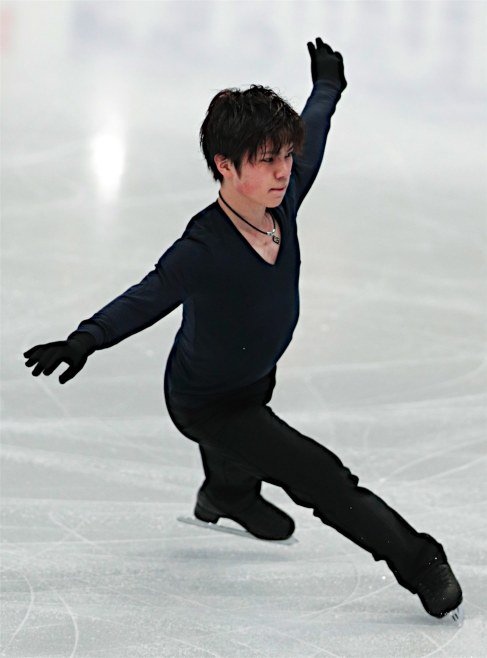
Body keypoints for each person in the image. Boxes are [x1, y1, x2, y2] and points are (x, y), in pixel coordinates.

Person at [23, 38, 463, 622]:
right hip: (206, 402)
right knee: (319, 476)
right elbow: (146, 297)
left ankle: (226, 493)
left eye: (285, 156)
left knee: (244, 441)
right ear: (225, 166)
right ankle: (421, 562)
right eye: (265, 160)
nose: (282, 171)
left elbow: (314, 132)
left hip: (252, 373)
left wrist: (328, 85)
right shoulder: (202, 248)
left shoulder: (284, 199)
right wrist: (84, 339)